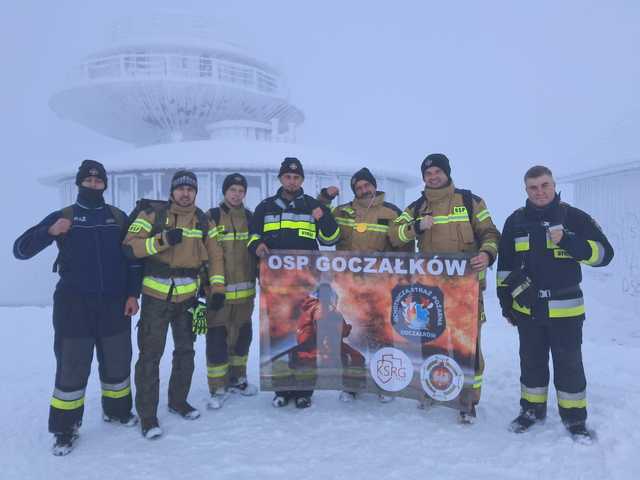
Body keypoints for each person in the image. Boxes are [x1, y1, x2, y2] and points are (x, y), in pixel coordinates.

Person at [13, 159, 142, 456]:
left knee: (118, 362)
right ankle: (65, 429)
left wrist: (133, 294)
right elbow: (20, 250)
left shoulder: (118, 218)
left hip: (114, 304)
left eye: (98, 182)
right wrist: (50, 232)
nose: (93, 185)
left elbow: (134, 261)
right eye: (88, 181)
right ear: (79, 184)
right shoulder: (64, 216)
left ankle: (118, 411)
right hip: (74, 306)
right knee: (72, 367)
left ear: (105, 185)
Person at [497, 165, 614, 443]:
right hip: (528, 309)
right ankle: (531, 411)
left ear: (553, 185)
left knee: (569, 364)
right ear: (526, 190)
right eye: (533, 187)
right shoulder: (515, 222)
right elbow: (505, 268)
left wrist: (571, 242)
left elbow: (604, 254)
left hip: (567, 309)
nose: (540, 191)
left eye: (544, 185)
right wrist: (506, 304)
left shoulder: (574, 217)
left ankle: (575, 419)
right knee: (531, 363)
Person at [390, 153, 500, 424]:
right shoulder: (416, 207)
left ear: (447, 173)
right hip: (431, 292)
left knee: (468, 345)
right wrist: (415, 227)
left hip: (467, 290)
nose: (433, 177)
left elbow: (490, 232)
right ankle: (431, 390)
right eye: (428, 174)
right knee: (431, 341)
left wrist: (487, 254)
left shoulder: (470, 201)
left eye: (438, 172)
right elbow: (393, 234)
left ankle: (468, 400)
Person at [122, 170, 223, 439]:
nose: (185, 193)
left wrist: (218, 288)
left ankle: (178, 401)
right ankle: (148, 416)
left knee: (186, 352)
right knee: (150, 357)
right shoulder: (152, 215)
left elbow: (216, 256)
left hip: (188, 299)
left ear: (196, 193)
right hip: (156, 299)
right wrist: (162, 240)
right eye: (181, 189)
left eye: (190, 189)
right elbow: (129, 247)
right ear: (172, 192)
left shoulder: (204, 220)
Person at [248, 157, 340, 409]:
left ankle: (304, 390)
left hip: (306, 284)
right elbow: (251, 236)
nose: (292, 180)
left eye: (296, 177)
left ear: (302, 180)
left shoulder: (312, 206)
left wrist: (323, 216)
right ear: (281, 179)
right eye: (287, 177)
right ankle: (281, 389)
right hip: (276, 286)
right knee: (278, 334)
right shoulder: (264, 207)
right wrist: (257, 245)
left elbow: (332, 238)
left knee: (306, 335)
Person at [319, 167, 414, 403]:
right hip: (349, 288)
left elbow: (404, 248)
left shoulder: (392, 212)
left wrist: (404, 281)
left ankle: (384, 383)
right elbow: (324, 235)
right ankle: (352, 385)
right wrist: (325, 199)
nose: (363, 190)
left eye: (366, 185)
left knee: (382, 336)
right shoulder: (342, 212)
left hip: (382, 288)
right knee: (352, 336)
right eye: (358, 187)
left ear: (374, 185)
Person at [205, 173, 258, 409]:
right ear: (224, 192)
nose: (236, 194)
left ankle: (238, 378)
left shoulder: (250, 217)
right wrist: (207, 287)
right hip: (220, 293)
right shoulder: (212, 217)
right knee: (218, 337)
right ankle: (218, 385)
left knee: (242, 336)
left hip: (246, 293)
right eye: (232, 190)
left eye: (240, 191)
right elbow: (206, 254)